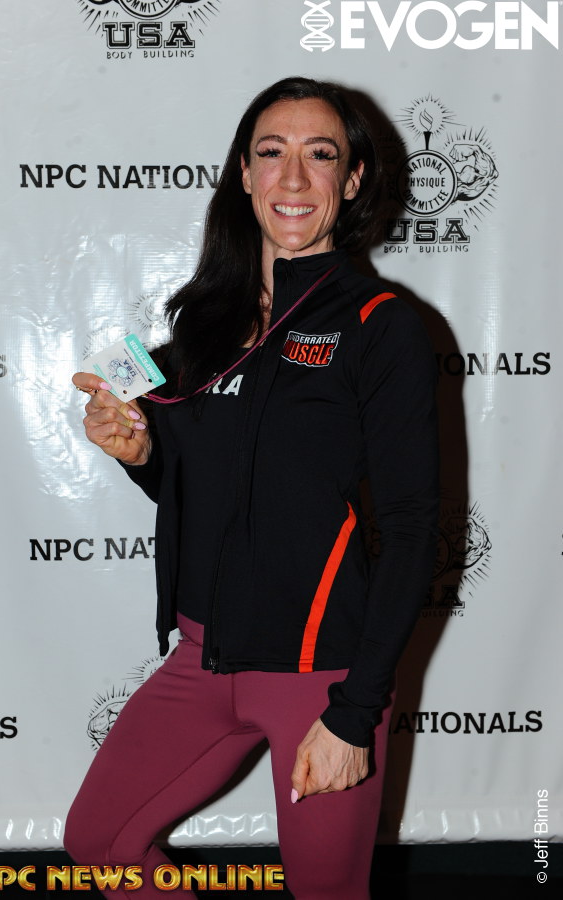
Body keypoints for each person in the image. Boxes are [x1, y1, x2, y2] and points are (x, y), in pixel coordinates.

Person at [66, 77, 439, 899]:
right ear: (243, 173)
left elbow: (413, 527)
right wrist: (140, 456)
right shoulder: (201, 326)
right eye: (271, 152)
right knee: (98, 842)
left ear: (353, 180)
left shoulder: (378, 324)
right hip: (202, 659)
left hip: (320, 674)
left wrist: (353, 712)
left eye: (320, 155)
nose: (293, 178)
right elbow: (206, 494)